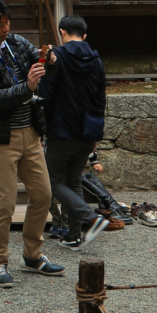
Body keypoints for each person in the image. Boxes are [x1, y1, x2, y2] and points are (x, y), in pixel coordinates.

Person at [0, 0, 63, 287]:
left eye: (8, 22)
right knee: (4, 203)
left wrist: (50, 59)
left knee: (43, 194)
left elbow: (38, 57)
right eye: (0, 25)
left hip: (30, 132)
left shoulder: (16, 42)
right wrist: (27, 86)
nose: (6, 28)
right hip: (0, 139)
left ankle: (33, 254)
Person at [39, 15, 109, 250]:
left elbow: (46, 95)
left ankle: (89, 217)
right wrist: (97, 132)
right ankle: (74, 236)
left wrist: (42, 127)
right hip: (88, 131)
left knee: (52, 181)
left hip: (62, 129)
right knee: (73, 180)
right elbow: (101, 100)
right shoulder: (97, 61)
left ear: (62, 32)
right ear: (85, 35)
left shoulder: (57, 57)